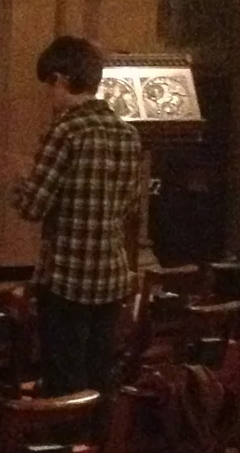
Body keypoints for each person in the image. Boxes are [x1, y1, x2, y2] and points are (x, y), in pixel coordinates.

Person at [11, 34, 143, 395]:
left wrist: (22, 178)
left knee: (64, 379)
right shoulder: (128, 134)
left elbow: (32, 206)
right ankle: (95, 446)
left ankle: (64, 447)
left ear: (62, 79)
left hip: (67, 277)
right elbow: (130, 205)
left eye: (49, 85)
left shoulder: (66, 131)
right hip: (111, 277)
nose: (49, 95)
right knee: (99, 373)